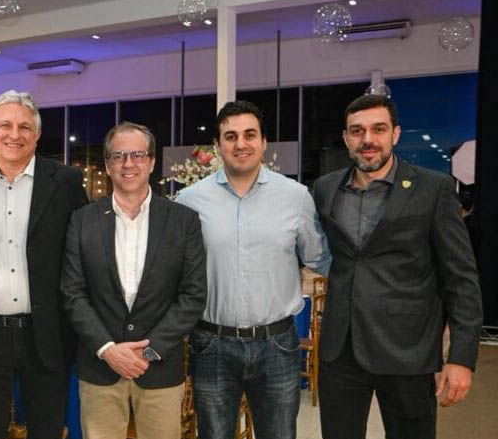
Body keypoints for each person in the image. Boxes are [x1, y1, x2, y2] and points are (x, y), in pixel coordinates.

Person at [311, 94, 482, 439]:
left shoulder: (433, 188)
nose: (368, 139)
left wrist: (461, 357)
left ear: (395, 134)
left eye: (378, 129)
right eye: (357, 131)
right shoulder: (326, 188)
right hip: (340, 350)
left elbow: (461, 278)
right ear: (346, 138)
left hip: (408, 351)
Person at [174, 101, 331, 439]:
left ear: (263, 142)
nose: (241, 144)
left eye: (250, 135)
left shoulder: (296, 197)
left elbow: (320, 258)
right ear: (218, 145)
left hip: (277, 345)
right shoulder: (189, 201)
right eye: (231, 136)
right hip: (211, 344)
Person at [0, 90, 89, 439]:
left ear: (37, 134)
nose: (15, 134)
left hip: (46, 333)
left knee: (46, 430)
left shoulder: (66, 182)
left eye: (25, 126)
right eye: (6, 125)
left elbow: (82, 253)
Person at [62, 122, 206, 439]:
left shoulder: (183, 221)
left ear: (151, 162)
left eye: (138, 155)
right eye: (119, 156)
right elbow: (73, 294)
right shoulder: (82, 221)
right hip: (100, 367)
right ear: (108, 165)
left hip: (159, 369)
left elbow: (193, 296)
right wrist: (108, 349)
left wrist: (149, 351)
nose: (128, 163)